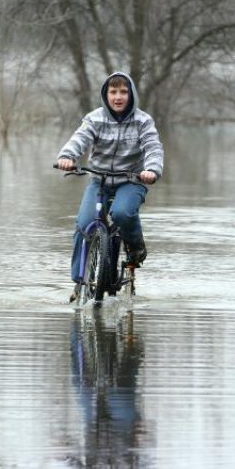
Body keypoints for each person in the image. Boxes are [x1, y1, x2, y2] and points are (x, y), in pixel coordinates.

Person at [56, 71, 164, 301]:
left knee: (122, 213)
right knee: (85, 224)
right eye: (113, 92)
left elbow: (153, 147)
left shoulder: (143, 121)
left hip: (132, 180)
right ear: (106, 94)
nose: (118, 97)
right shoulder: (95, 118)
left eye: (123, 92)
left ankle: (135, 248)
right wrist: (67, 156)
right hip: (99, 180)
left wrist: (152, 170)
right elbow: (80, 138)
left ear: (131, 94)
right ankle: (78, 282)